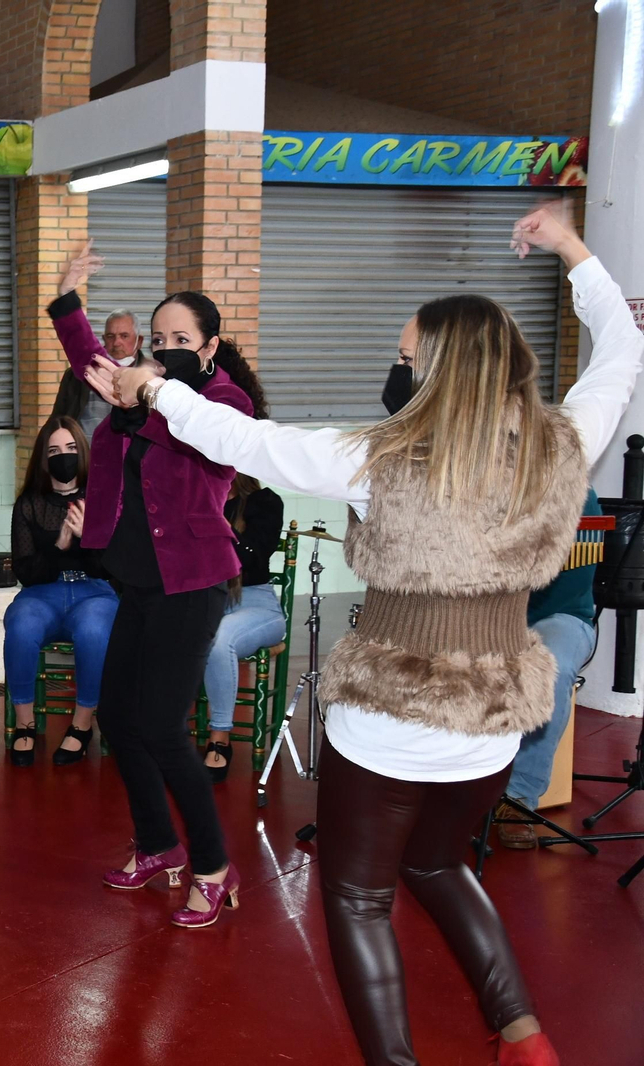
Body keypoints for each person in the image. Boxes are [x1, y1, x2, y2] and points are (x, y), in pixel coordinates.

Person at [99, 202, 639, 1066]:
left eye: (405, 360)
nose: (395, 371)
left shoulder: (378, 458)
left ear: (443, 375)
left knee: (355, 896)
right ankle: (525, 1037)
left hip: (390, 713)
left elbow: (251, 441)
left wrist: (156, 389)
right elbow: (619, 355)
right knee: (439, 863)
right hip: (496, 712)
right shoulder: (563, 444)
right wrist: (573, 248)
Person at [50, 242, 267, 928]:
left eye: (182, 339)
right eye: (160, 337)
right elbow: (89, 360)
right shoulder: (133, 385)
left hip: (194, 582)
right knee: (117, 713)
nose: (167, 347)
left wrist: (151, 391)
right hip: (137, 579)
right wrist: (65, 297)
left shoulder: (223, 402)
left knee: (164, 728)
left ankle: (212, 863)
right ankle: (157, 845)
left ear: (209, 348)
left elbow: (196, 443)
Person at [4, 414, 120, 767]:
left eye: (70, 447)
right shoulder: (29, 504)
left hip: (95, 591)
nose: (63, 456)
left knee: (93, 631)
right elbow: (27, 572)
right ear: (43, 458)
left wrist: (89, 539)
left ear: (82, 452)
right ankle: (25, 724)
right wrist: (60, 544)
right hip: (44, 593)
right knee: (21, 626)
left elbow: (114, 567)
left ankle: (81, 725)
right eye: (54, 450)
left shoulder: (104, 499)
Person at [496, 485, 602, 845]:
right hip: (488, 613)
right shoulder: (477, 482)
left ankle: (518, 798)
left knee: (550, 666)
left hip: (561, 614)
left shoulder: (575, 490)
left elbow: (568, 586)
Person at [199, 473, 286, 781]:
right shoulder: (196, 500)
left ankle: (219, 737)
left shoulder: (266, 502)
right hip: (208, 599)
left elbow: (251, 556)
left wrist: (218, 527)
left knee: (221, 638)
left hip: (256, 603)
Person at [51, 300, 143, 439]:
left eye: (124, 336)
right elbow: (57, 420)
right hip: (83, 457)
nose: (117, 343)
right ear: (104, 339)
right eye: (111, 336)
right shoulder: (76, 376)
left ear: (139, 341)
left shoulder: (149, 378)